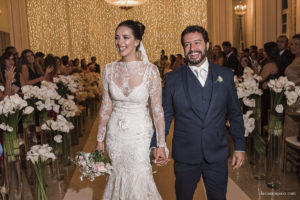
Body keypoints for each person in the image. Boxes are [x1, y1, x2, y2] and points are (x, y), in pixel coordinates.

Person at [151, 25, 245, 200]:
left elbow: (234, 113)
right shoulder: (173, 78)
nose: (192, 49)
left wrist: (239, 145)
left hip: (217, 154)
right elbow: (165, 115)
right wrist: (158, 143)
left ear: (207, 45)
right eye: (187, 45)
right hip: (185, 155)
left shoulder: (224, 75)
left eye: (197, 43)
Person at [95, 20, 167, 200]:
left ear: (137, 41)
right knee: (117, 175)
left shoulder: (151, 71)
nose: (120, 42)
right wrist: (99, 141)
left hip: (140, 136)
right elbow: (106, 106)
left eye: (126, 37)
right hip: (115, 136)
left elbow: (157, 110)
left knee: (140, 176)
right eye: (117, 38)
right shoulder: (109, 69)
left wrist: (161, 144)